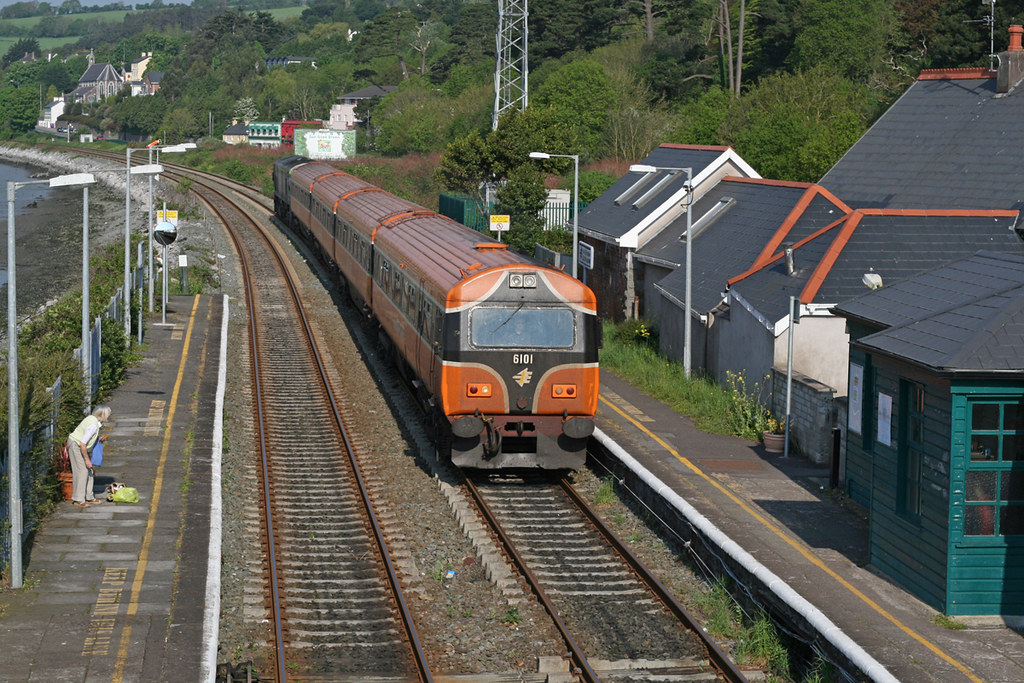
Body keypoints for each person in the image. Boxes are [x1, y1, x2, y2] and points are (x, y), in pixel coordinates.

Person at [67, 406, 111, 508]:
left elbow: (87, 437)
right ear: (103, 415)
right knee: (82, 471)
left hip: (79, 444)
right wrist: (87, 460)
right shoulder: (93, 425)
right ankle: (78, 500)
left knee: (89, 471)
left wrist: (99, 439)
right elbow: (83, 443)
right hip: (75, 445)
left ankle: (89, 497)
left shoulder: (92, 419)